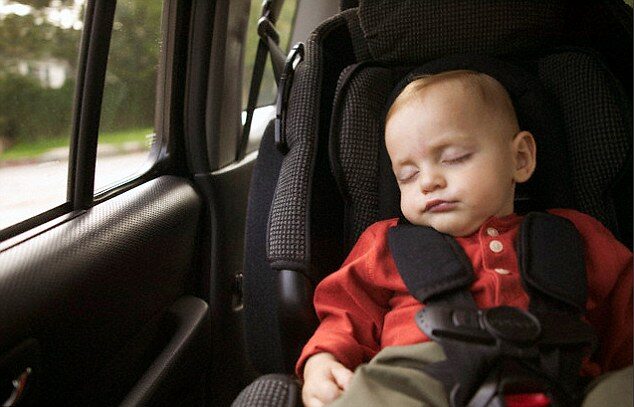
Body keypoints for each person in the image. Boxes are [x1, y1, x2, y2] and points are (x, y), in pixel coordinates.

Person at [296, 70, 633, 407]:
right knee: (370, 392)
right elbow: (346, 314)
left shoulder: (575, 235)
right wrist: (323, 359)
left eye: (454, 158)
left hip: (565, 380)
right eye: (408, 175)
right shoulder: (386, 244)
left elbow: (625, 319)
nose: (428, 182)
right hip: (421, 377)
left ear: (520, 158)